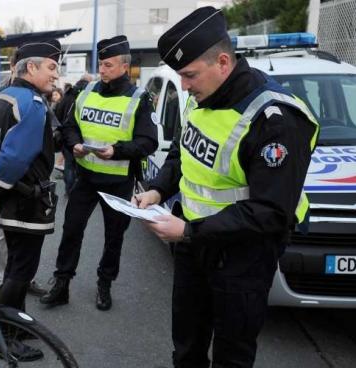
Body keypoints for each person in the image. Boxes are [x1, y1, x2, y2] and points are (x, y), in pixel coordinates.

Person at [133, 7, 318, 367]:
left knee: (232, 356)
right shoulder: (201, 98)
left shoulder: (274, 120)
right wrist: (157, 189)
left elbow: (271, 212)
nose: (183, 86)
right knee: (186, 346)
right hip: (193, 248)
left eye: (189, 75)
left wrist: (187, 230)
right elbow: (182, 155)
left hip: (242, 258)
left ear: (222, 62)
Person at [40, 35, 158, 311]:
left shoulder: (139, 99)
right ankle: (62, 283)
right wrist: (75, 145)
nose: (102, 70)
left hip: (118, 181)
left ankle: (104, 284)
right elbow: (70, 127)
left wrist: (116, 151)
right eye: (101, 64)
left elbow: (148, 142)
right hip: (85, 178)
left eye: (108, 65)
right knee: (72, 230)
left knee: (113, 237)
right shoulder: (87, 90)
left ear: (124, 67)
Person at [0, 39, 61, 360]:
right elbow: (13, 159)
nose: (56, 74)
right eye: (51, 67)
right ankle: (4, 338)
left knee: (14, 268)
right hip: (25, 204)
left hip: (6, 202)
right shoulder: (32, 103)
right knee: (20, 271)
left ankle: (17, 328)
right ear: (32, 67)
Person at [53, 74, 93, 195]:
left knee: (69, 165)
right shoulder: (90, 95)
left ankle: (69, 190)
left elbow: (58, 114)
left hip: (67, 137)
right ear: (89, 82)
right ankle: (80, 190)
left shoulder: (68, 94)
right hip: (84, 138)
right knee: (82, 165)